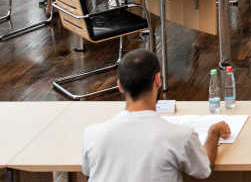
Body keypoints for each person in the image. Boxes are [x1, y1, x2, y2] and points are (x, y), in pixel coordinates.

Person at [82, 49, 229, 182]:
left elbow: (88, 172)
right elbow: (203, 169)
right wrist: (213, 133)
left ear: (119, 86)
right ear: (158, 80)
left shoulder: (92, 134)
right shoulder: (180, 136)